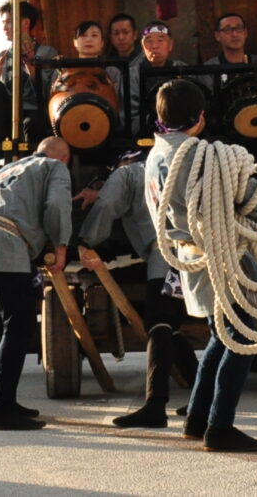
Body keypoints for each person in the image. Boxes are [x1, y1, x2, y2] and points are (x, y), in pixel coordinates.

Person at [145, 79, 257, 452]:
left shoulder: (154, 155)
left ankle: (197, 419)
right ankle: (220, 426)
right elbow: (254, 202)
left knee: (221, 333)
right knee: (242, 336)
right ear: (200, 117)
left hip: (188, 254)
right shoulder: (200, 154)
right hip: (218, 252)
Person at [0, 137, 72, 431]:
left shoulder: (7, 170)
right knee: (19, 325)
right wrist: (61, 246)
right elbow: (57, 205)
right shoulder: (54, 167)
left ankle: (4, 400)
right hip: (4, 245)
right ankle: (1, 409)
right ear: (63, 158)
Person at [80, 148, 194, 426]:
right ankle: (205, 395)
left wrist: (86, 241)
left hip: (168, 254)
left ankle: (155, 406)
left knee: (158, 324)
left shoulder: (128, 173)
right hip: (203, 251)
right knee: (174, 324)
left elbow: (107, 204)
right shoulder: (185, 163)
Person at [0, 1, 60, 146]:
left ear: (25, 23)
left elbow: (53, 90)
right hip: (6, 116)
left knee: (31, 123)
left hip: (35, 112)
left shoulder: (47, 53)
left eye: (8, 22)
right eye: (3, 23)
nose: (4, 28)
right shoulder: (0, 57)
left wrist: (32, 69)